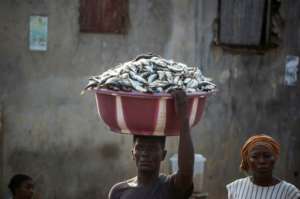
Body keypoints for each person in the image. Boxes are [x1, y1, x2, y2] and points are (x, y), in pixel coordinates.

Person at [108, 90, 194, 199]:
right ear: (133, 153)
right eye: (140, 147)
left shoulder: (169, 187)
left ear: (163, 154)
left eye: (152, 148)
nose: (145, 153)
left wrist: (183, 118)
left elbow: (186, 172)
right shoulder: (118, 192)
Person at [227, 134, 300, 199]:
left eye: (267, 156)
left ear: (275, 158)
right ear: (247, 160)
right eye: (255, 156)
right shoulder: (236, 187)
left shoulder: (290, 192)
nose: (262, 161)